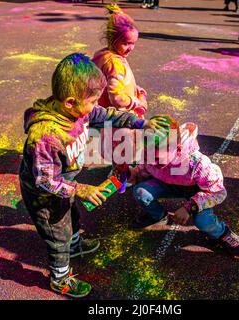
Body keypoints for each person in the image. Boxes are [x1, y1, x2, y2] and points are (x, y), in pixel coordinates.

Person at [19, 53, 166, 297]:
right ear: (69, 102)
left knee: (72, 214)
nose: (96, 105)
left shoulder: (80, 110)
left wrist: (141, 123)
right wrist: (83, 189)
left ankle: (75, 246)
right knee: (58, 235)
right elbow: (45, 180)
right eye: (93, 100)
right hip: (43, 195)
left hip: (65, 182)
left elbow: (107, 115)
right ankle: (60, 278)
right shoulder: (45, 135)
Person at [130, 115, 239, 257]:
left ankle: (221, 233)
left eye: (157, 157)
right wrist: (133, 174)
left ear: (177, 147)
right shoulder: (152, 152)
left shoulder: (197, 163)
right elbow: (145, 169)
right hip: (168, 184)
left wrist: (190, 206)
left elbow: (218, 192)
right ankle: (159, 215)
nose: (152, 161)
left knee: (203, 221)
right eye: (149, 154)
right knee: (141, 192)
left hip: (196, 190)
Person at [92, 3, 149, 192]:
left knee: (119, 152)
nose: (131, 48)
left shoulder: (104, 55)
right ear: (113, 39)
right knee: (123, 152)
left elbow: (116, 82)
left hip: (107, 115)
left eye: (133, 43)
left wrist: (134, 87)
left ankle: (120, 174)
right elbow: (116, 97)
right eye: (126, 43)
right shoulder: (115, 64)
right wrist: (136, 101)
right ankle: (121, 182)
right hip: (118, 118)